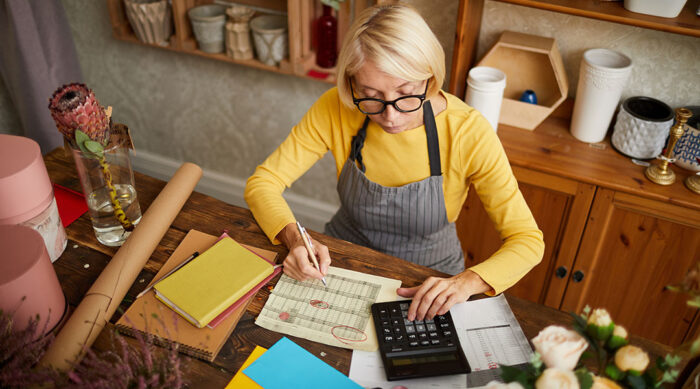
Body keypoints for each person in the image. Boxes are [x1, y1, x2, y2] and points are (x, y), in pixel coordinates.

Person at [245, 4, 544, 322]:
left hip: (430, 279)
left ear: (430, 77)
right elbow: (263, 183)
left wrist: (468, 282)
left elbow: (527, 241)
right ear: (351, 84)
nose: (390, 116)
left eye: (406, 94)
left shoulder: (468, 132)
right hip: (343, 261)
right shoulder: (335, 108)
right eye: (371, 95)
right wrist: (295, 239)